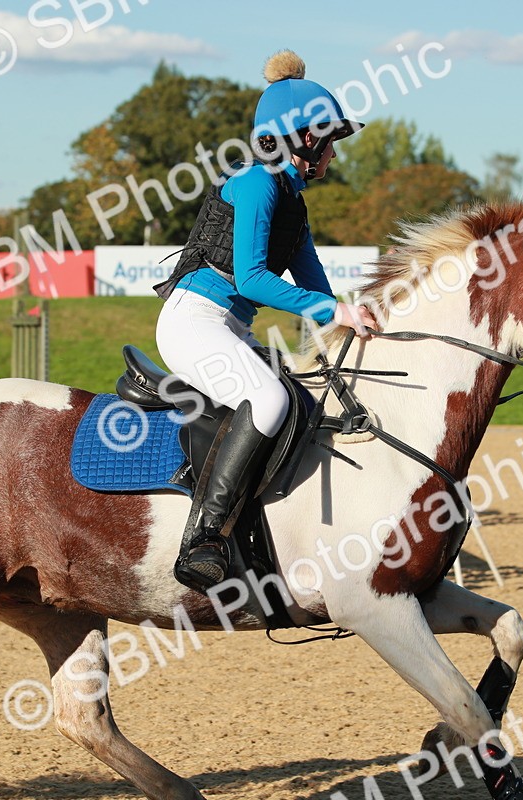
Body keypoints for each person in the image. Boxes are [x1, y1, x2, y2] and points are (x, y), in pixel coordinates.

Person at [153, 50, 376, 592]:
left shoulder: (293, 206)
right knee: (271, 401)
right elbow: (252, 279)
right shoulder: (255, 184)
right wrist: (334, 311)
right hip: (192, 321)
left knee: (301, 398)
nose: (330, 155)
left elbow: (317, 288)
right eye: (327, 143)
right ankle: (205, 536)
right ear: (300, 140)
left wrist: (361, 318)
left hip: (227, 327)